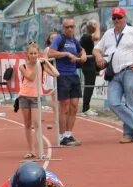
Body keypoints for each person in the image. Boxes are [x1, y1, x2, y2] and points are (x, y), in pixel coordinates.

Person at [94, 7, 133, 144]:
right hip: (114, 73)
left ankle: (128, 134)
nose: (116, 20)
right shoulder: (109, 34)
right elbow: (96, 48)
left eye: (119, 17)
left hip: (130, 70)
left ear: (125, 18)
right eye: (114, 18)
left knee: (131, 103)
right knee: (113, 102)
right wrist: (98, 56)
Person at [47, 18, 87, 146]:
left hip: (74, 75)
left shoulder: (74, 40)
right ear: (63, 28)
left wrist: (84, 54)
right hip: (62, 75)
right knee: (64, 106)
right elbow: (50, 53)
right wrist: (66, 54)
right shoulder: (59, 39)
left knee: (74, 106)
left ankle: (69, 135)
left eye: (72, 27)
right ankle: (61, 136)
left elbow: (81, 50)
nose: (70, 29)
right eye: (67, 27)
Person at [18, 42, 60, 159]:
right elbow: (30, 77)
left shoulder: (41, 65)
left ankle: (41, 151)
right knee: (27, 124)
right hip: (24, 96)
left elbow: (56, 74)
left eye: (35, 53)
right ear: (27, 54)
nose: (33, 55)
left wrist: (46, 61)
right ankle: (31, 150)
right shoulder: (23, 66)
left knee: (37, 124)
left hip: (36, 97)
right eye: (31, 53)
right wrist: (37, 65)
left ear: (38, 54)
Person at [79, 21, 101, 117]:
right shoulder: (86, 37)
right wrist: (98, 26)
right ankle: (85, 108)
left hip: (90, 64)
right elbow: (97, 37)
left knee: (90, 86)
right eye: (95, 26)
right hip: (88, 65)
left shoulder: (87, 37)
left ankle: (86, 107)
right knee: (89, 87)